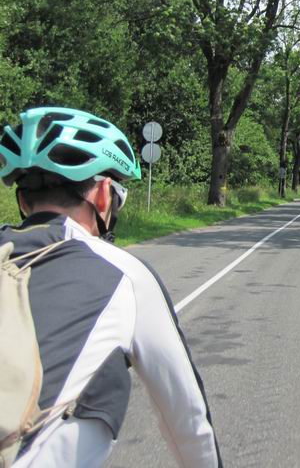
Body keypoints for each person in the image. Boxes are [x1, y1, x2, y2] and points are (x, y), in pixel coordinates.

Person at [0, 107, 223, 467]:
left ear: (23, 201)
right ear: (104, 196)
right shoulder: (125, 274)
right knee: (107, 373)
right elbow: (189, 421)